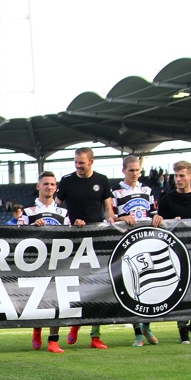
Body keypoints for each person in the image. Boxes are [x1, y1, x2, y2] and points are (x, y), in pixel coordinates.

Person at [55, 147, 115, 350]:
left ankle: (95, 335)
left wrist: (113, 223)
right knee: (73, 285)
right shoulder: (67, 180)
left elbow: (108, 210)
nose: (78, 166)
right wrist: (71, 222)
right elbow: (57, 208)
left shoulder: (102, 180)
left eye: (82, 162)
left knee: (98, 286)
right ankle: (75, 323)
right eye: (76, 162)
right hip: (72, 241)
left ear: (91, 161)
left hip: (96, 240)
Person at [113, 155, 165, 347]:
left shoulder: (147, 191)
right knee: (131, 287)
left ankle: (146, 325)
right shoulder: (116, 193)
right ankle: (137, 334)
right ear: (124, 171)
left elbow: (153, 213)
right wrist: (121, 219)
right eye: (131, 170)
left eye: (137, 170)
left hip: (146, 243)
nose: (135, 174)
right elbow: (111, 219)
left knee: (149, 286)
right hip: (126, 246)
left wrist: (157, 217)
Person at [157, 160, 191, 343]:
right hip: (176, 254)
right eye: (175, 176)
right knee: (181, 291)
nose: (178, 179)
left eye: (181, 176)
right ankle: (182, 329)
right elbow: (161, 229)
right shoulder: (166, 201)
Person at [20, 172, 74, 353]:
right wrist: (31, 229)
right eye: (45, 184)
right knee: (38, 300)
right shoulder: (28, 212)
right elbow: (14, 236)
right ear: (38, 187)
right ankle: (37, 328)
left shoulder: (64, 213)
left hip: (58, 263)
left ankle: (53, 340)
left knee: (57, 300)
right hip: (36, 265)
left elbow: (70, 237)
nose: (49, 187)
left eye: (52, 184)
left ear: (56, 187)